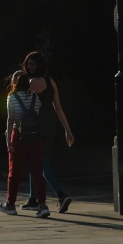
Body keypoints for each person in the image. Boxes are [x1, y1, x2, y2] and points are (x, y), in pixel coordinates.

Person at [19, 52, 76, 213]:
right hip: (49, 125)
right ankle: (32, 199)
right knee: (34, 160)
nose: (29, 67)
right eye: (28, 64)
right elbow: (58, 108)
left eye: (32, 64)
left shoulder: (33, 82)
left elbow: (21, 102)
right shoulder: (50, 82)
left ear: (39, 65)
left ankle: (61, 194)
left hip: (37, 126)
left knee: (42, 162)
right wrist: (67, 130)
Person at [0, 69, 53, 218]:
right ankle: (42, 205)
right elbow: (36, 115)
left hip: (19, 137)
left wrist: (8, 140)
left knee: (14, 172)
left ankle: (10, 204)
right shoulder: (35, 97)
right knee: (37, 172)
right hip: (35, 138)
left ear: (15, 83)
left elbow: (11, 120)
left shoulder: (12, 97)